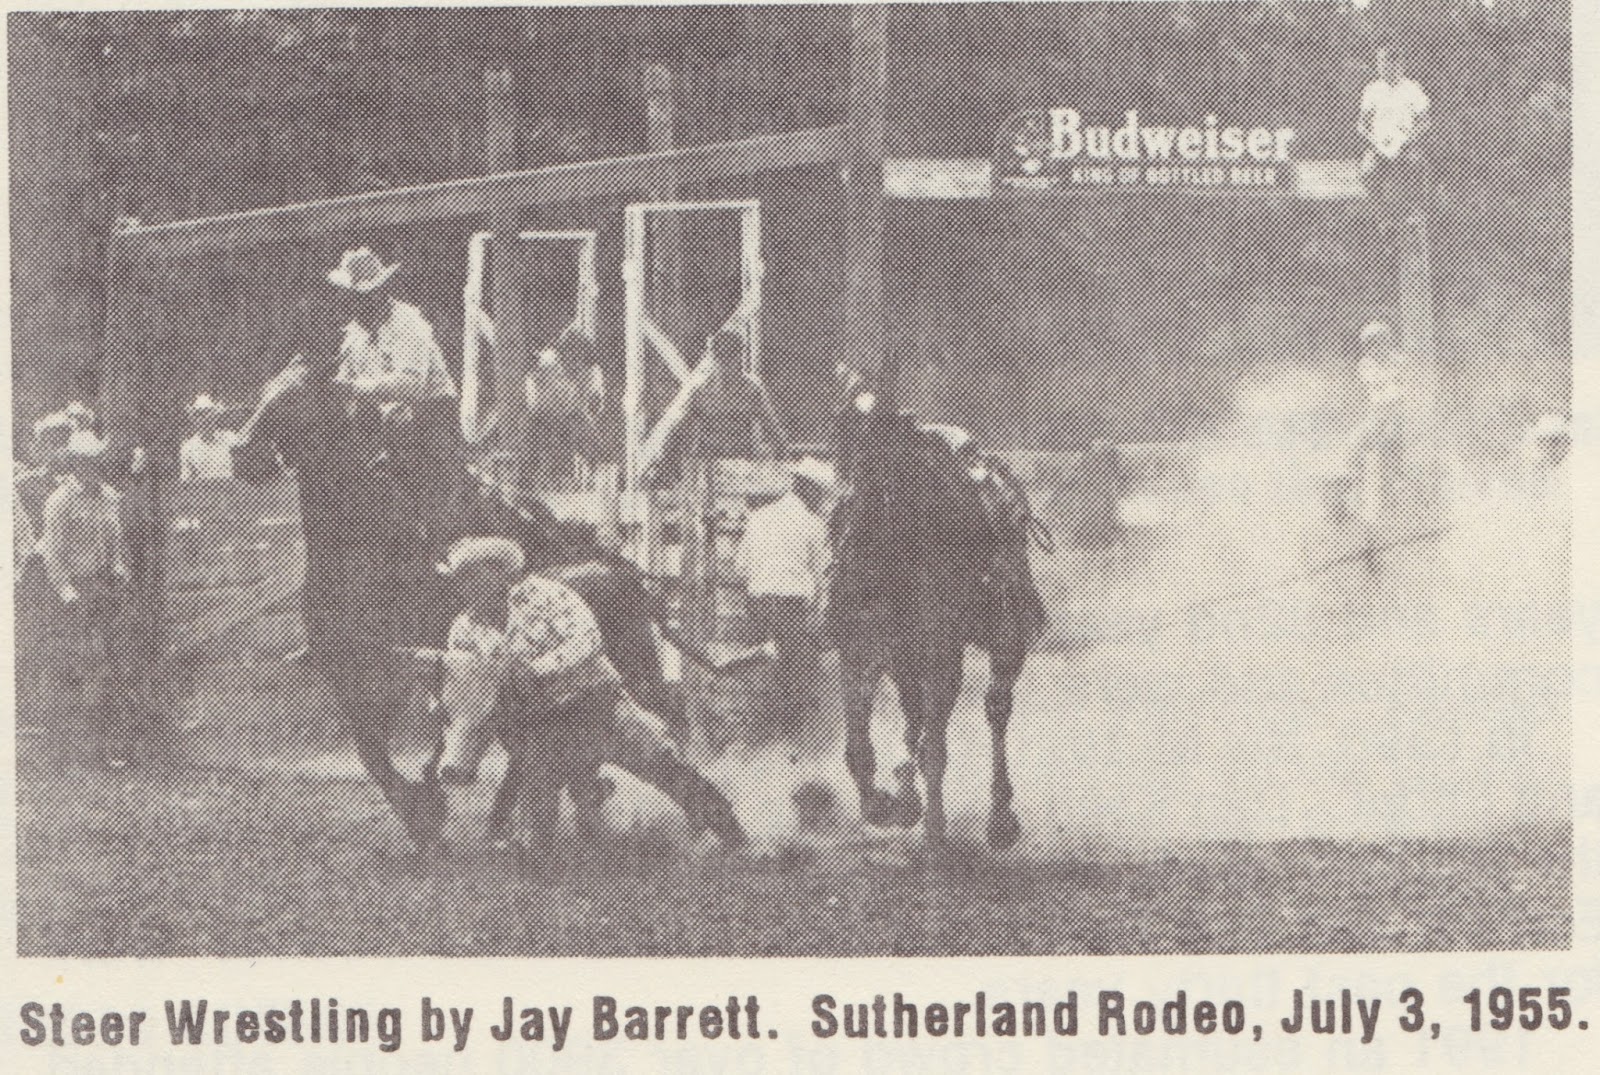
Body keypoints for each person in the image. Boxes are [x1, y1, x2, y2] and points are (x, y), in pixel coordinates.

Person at [436, 536, 747, 860]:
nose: (467, 585)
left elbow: (587, 639)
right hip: (540, 725)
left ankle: (735, 835)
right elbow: (466, 683)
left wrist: (538, 668)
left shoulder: (550, 596)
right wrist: (444, 701)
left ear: (501, 572)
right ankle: (537, 863)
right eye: (461, 578)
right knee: (537, 805)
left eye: (475, 574)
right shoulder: (463, 630)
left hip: (598, 706)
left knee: (663, 765)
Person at [34, 430, 135, 768]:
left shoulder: (109, 497)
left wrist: (118, 570)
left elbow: (116, 545)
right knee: (75, 668)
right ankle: (62, 750)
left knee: (112, 666)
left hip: (103, 588)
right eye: (83, 462)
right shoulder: (59, 501)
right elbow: (53, 556)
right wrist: (68, 594)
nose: (90, 467)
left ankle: (110, 746)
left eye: (95, 461)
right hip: (71, 593)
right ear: (74, 463)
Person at [327, 246, 458, 471]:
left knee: (428, 486)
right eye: (352, 296)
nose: (359, 303)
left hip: (430, 422)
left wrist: (350, 388)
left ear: (382, 292)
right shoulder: (354, 334)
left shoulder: (408, 323)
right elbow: (342, 385)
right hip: (386, 429)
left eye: (366, 296)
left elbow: (411, 385)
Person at [736, 457, 834, 739]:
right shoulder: (814, 525)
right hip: (791, 607)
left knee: (759, 670)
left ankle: (755, 738)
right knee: (795, 676)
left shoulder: (760, 517)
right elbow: (821, 576)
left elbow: (741, 566)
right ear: (809, 490)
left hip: (757, 605)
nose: (821, 500)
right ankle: (790, 742)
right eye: (820, 493)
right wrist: (817, 614)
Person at [1358, 45, 1431, 226]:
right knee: (1367, 172)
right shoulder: (1372, 90)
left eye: (1391, 63)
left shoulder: (1412, 88)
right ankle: (1382, 215)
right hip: (1378, 144)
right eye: (1381, 63)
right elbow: (1362, 124)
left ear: (1400, 64)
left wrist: (1409, 138)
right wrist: (1374, 140)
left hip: (1406, 144)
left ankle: (1414, 211)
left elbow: (1425, 121)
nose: (1386, 68)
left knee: (1416, 165)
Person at [178, 394, 239, 482]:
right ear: (194, 420)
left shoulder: (228, 438)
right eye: (199, 415)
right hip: (205, 492)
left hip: (231, 490)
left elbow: (247, 441)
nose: (204, 419)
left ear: (214, 417)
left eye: (208, 414)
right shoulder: (188, 447)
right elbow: (186, 480)